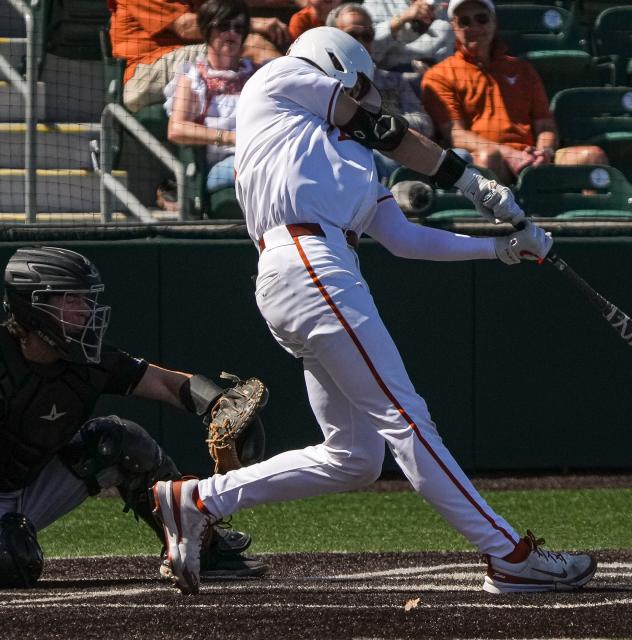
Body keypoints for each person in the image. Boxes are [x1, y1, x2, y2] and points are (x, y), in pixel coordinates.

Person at [150, 27, 597, 596]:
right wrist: (475, 183)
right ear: (333, 65)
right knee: (406, 419)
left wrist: (500, 249)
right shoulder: (280, 80)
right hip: (307, 260)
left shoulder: (351, 155)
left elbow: (403, 237)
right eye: (358, 86)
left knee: (354, 457)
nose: (365, 98)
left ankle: (197, 499)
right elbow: (383, 129)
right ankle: (509, 554)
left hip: (318, 271)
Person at [0, 247, 267, 588]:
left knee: (118, 441)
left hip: (25, 492)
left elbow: (165, 384)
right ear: (32, 306)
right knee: (10, 559)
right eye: (71, 299)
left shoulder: (88, 359)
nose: (86, 310)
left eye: (86, 298)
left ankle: (202, 545)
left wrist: (217, 403)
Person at [420, 0, 607, 184]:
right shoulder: (439, 75)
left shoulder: (521, 69)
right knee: (487, 159)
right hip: (492, 159)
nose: (474, 26)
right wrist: (508, 153)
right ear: (454, 26)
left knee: (591, 157)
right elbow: (456, 135)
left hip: (531, 156)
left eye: (481, 19)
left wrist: (543, 152)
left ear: (494, 21)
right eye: (465, 22)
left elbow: (545, 126)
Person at [111, 0, 291, 114]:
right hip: (143, 77)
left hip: (183, 67)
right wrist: (252, 24)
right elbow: (185, 26)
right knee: (251, 44)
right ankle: (300, 96)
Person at [328, 3, 435, 182]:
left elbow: (426, 123)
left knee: (461, 157)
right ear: (333, 39)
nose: (360, 43)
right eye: (352, 35)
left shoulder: (393, 80)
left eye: (367, 36)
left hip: (402, 148)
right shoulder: (325, 84)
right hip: (355, 160)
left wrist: (385, 125)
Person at [165, 0, 257, 194]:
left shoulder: (255, 75)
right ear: (207, 30)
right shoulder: (193, 75)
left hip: (258, 155)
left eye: (239, 28)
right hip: (220, 166)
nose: (232, 33)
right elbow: (176, 128)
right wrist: (231, 138)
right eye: (223, 26)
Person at [364, 0, 454, 72]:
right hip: (381, 80)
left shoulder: (446, 9)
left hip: (425, 83)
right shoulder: (376, 3)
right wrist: (402, 18)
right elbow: (367, 51)